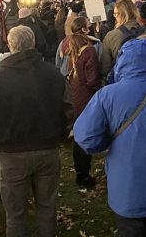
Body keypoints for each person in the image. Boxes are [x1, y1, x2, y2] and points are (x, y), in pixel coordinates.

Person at [74, 38, 146, 237]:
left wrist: (107, 142)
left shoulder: (107, 95)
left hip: (129, 190)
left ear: (122, 62)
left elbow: (85, 137)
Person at [0, 25, 73, 237]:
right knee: (46, 209)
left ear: (10, 46)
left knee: (16, 214)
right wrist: (59, 136)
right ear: (33, 44)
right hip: (44, 149)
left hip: (13, 154)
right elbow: (69, 109)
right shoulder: (54, 74)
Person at [62, 17, 101, 187]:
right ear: (84, 30)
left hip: (73, 93)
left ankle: (80, 170)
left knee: (78, 133)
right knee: (86, 134)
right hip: (86, 96)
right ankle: (84, 174)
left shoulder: (66, 45)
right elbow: (92, 80)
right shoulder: (89, 50)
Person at [101, 0, 146, 79]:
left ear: (122, 15)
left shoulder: (111, 36)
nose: (114, 16)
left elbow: (105, 68)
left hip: (121, 81)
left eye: (115, 14)